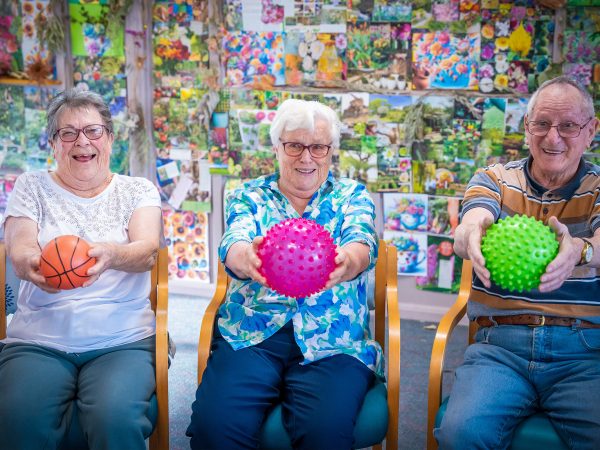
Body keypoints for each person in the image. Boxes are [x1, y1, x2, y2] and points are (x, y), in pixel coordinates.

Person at [186, 99, 381, 449]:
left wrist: (346, 262)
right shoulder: (248, 194)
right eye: (294, 145)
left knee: (326, 435)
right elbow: (234, 240)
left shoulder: (352, 195)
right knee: (214, 430)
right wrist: (247, 258)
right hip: (253, 333)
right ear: (276, 148)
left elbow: (362, 241)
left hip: (332, 339)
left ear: (330, 151)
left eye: (318, 147)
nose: (306, 158)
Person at [436, 76, 600, 449]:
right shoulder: (494, 178)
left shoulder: (598, 187)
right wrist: (469, 234)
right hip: (500, 346)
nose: (552, 137)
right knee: (461, 433)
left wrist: (581, 251)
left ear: (591, 130)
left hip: (584, 351)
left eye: (568, 126)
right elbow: (473, 218)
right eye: (541, 123)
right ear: (527, 127)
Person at [0, 88, 162, 450]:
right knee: (17, 418)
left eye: (93, 130)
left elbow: (147, 250)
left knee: (114, 419)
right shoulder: (31, 186)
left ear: (109, 137)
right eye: (68, 132)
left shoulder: (137, 190)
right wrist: (30, 264)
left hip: (122, 339)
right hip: (39, 339)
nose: (81, 141)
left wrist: (111, 255)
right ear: (54, 144)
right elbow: (21, 245)